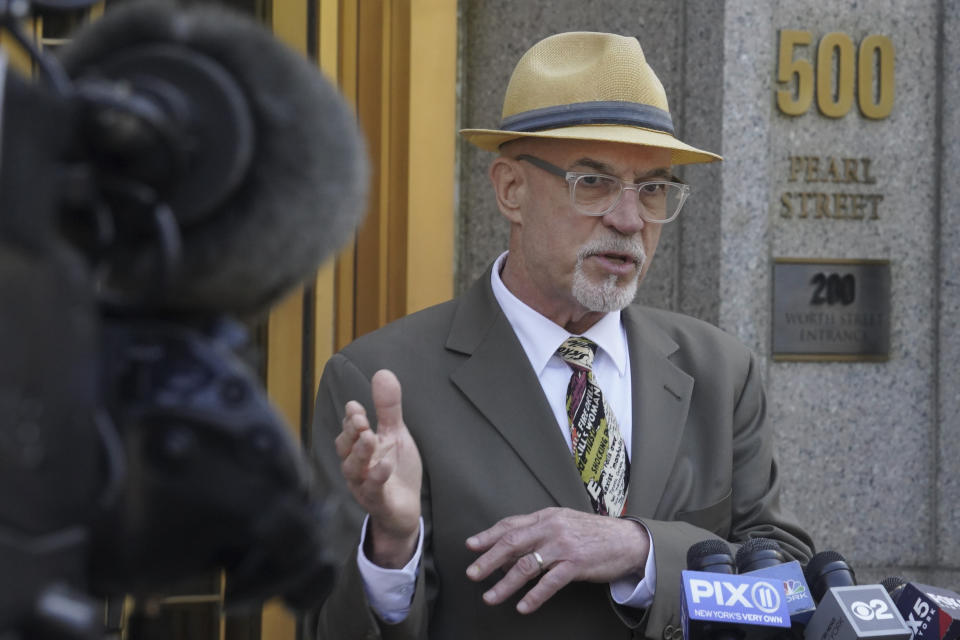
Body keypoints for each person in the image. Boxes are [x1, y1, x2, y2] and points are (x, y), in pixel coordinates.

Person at [311, 31, 814, 640]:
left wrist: (641, 549)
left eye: (653, 187)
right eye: (593, 183)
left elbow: (792, 583)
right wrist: (392, 547)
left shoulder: (719, 370)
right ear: (510, 190)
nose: (630, 220)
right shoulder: (381, 380)